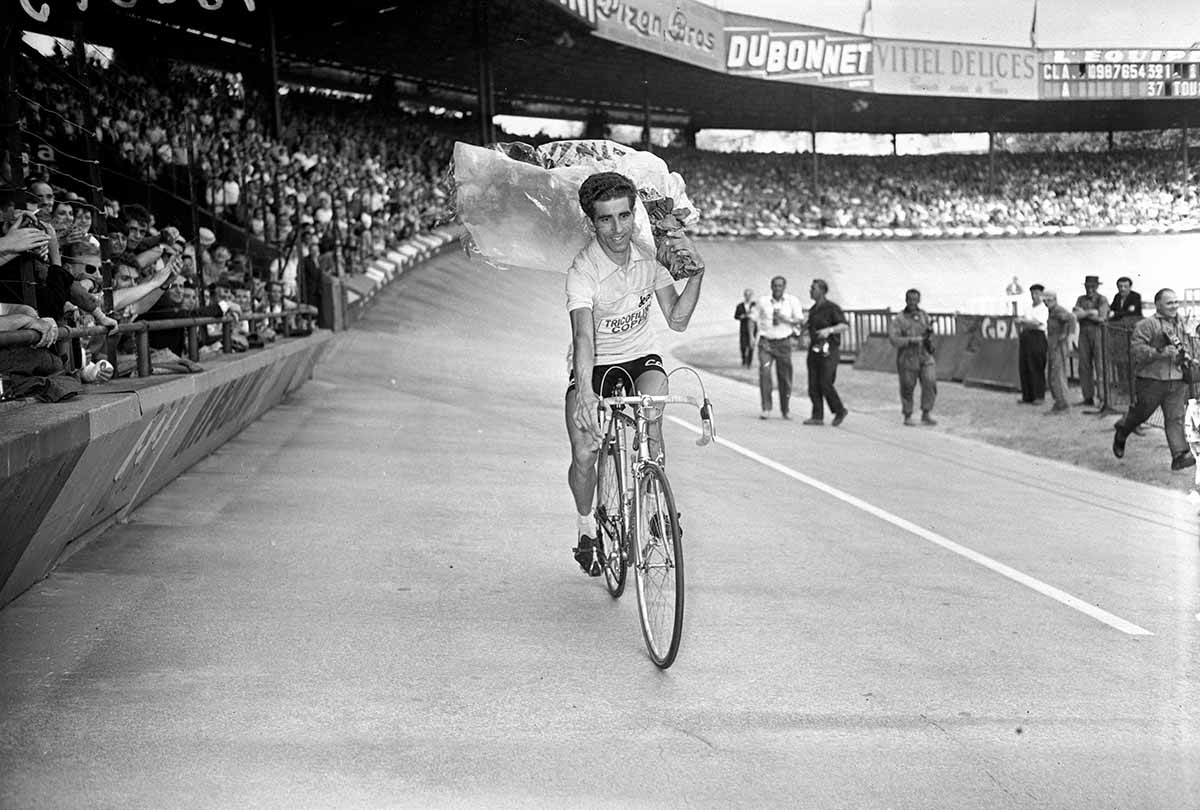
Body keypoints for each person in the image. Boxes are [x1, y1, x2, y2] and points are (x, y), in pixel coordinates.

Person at [564, 172, 705, 575]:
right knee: (584, 451)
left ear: (633, 214)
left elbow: (677, 320)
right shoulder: (583, 270)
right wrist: (587, 395)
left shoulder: (650, 256)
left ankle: (656, 505)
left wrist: (696, 276)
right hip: (599, 362)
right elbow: (583, 335)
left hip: (641, 356)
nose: (617, 229)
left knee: (653, 418)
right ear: (593, 222)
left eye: (624, 216)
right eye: (606, 219)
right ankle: (586, 526)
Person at [1111, 289, 1199, 471]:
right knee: (1141, 414)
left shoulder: (1181, 322)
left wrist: (1190, 356)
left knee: (1175, 417)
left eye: (1176, 302)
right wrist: (1159, 353)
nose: (1174, 306)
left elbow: (1187, 344)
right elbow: (1136, 349)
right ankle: (1123, 431)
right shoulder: (1147, 325)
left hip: (1177, 377)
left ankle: (1179, 455)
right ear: (1158, 304)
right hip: (1152, 380)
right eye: (1169, 303)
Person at [754, 276, 803, 419]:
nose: (777, 288)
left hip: (783, 342)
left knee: (785, 376)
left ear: (784, 287)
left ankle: (785, 409)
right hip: (766, 342)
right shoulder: (763, 301)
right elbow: (753, 317)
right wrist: (752, 335)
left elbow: (800, 320)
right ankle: (766, 408)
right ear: (771, 286)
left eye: (780, 286)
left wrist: (784, 319)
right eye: (775, 285)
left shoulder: (792, 301)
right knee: (765, 372)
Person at [803, 278, 850, 426]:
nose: (811, 291)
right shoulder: (813, 310)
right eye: (811, 288)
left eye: (813, 288)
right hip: (815, 349)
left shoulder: (832, 308)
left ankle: (839, 410)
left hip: (829, 350)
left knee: (825, 382)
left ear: (822, 291)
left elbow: (844, 325)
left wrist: (829, 330)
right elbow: (808, 328)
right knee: (813, 384)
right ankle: (817, 416)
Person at [888, 288, 937, 426]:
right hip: (908, 356)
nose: (913, 303)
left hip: (925, 355)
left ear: (919, 300)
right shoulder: (899, 319)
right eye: (910, 300)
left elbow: (929, 333)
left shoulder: (924, 316)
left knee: (930, 381)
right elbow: (894, 339)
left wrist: (929, 337)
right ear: (906, 300)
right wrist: (910, 340)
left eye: (915, 300)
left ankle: (926, 412)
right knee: (907, 386)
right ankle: (907, 414)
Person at [1072, 275, 1109, 407]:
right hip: (1083, 334)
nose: (1090, 289)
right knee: (1084, 366)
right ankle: (1088, 397)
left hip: (1098, 333)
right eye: (1088, 286)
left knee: (1100, 366)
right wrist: (1091, 313)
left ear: (1097, 286)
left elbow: (1102, 318)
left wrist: (1085, 313)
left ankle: (1103, 398)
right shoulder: (1080, 299)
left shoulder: (1102, 299)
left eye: (1093, 286)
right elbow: (1075, 315)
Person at [1041, 290, 1075, 414]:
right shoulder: (1052, 311)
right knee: (1053, 374)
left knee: (1058, 374)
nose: (1046, 303)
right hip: (1053, 345)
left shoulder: (1058, 310)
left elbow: (1071, 318)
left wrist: (1068, 335)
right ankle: (1059, 402)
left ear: (1055, 299)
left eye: (1049, 300)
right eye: (1045, 301)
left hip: (1059, 345)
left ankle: (1063, 404)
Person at [1014, 283, 1048, 406]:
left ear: (1042, 295)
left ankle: (1038, 395)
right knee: (1024, 366)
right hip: (1026, 336)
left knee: (1036, 366)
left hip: (1037, 337)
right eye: (1033, 294)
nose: (1034, 296)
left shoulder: (1044, 308)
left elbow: (1037, 323)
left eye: (1037, 293)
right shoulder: (1028, 308)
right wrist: (1024, 321)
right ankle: (1027, 395)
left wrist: (1024, 321)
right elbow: (1023, 320)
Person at [733, 288, 757, 368]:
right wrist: (742, 316)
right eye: (746, 295)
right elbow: (736, 316)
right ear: (744, 296)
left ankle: (749, 363)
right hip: (743, 328)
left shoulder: (755, 305)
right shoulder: (740, 306)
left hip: (753, 328)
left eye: (749, 295)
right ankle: (744, 359)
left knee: (751, 346)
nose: (748, 296)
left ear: (751, 296)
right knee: (743, 345)